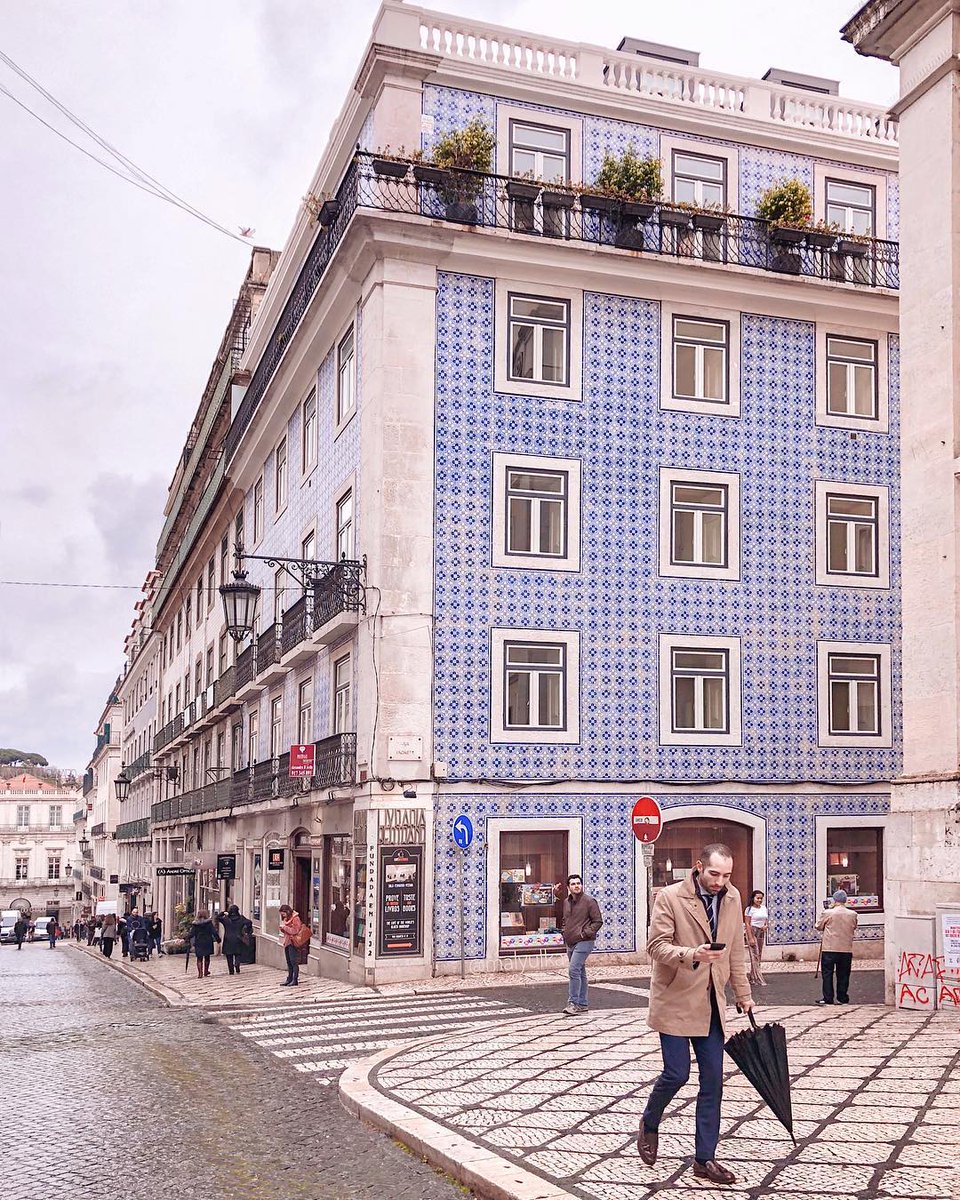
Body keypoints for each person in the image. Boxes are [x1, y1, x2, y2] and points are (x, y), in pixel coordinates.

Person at [638, 843, 754, 1189]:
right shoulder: (671, 897)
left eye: (727, 875)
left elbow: (735, 950)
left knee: (713, 1083)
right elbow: (656, 946)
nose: (720, 882)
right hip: (675, 998)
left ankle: (704, 1160)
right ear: (699, 867)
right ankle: (650, 1120)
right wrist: (693, 954)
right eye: (715, 874)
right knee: (676, 1074)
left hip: (711, 1005)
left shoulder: (732, 898)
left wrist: (743, 996)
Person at [559, 874, 603, 1016]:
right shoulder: (566, 902)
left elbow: (598, 921)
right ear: (568, 887)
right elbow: (565, 919)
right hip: (570, 941)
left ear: (582, 885)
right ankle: (583, 1004)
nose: (576, 886)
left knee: (573, 970)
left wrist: (585, 934)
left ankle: (573, 1003)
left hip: (584, 941)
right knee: (580, 972)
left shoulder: (590, 901)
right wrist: (564, 931)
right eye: (573, 884)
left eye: (578, 883)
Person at [815, 889, 858, 1005]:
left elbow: (818, 926)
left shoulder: (828, 913)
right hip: (846, 949)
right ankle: (842, 997)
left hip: (829, 948)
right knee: (843, 974)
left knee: (827, 974)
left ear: (835, 900)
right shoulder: (853, 914)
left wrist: (825, 912)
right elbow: (854, 927)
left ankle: (828, 998)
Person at [217, 904, 253, 976]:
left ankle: (231, 971)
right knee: (238, 953)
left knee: (229, 956)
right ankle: (237, 963)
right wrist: (247, 930)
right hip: (238, 938)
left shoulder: (226, 919)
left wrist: (223, 912)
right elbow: (249, 922)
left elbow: (217, 917)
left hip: (228, 939)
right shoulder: (241, 918)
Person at [185, 909, 220, 978]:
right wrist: (218, 939)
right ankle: (206, 971)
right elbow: (214, 932)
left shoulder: (195, 924)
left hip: (199, 942)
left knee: (199, 958)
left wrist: (186, 938)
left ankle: (200, 973)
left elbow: (191, 933)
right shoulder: (209, 923)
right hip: (207, 942)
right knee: (207, 957)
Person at [744, 890, 768, 987]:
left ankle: (753, 976)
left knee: (759, 955)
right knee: (754, 955)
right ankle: (758, 978)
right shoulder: (749, 909)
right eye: (757, 898)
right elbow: (747, 923)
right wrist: (750, 937)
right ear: (753, 898)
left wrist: (766, 926)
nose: (759, 900)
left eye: (761, 898)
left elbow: (766, 920)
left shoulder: (763, 908)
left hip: (761, 932)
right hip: (752, 931)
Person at [278, 905, 306, 986]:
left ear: (287, 912)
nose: (283, 916)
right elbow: (288, 931)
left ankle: (295, 979)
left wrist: (285, 928)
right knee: (289, 962)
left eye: (283, 914)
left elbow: (295, 931)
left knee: (293, 962)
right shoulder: (287, 919)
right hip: (287, 942)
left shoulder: (295, 918)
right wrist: (283, 929)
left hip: (293, 943)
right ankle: (289, 978)